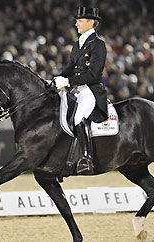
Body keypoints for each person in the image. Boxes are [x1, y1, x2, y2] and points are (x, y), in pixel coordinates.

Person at [53, 4, 107, 174]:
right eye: (76, 20)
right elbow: (70, 68)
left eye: (80, 20)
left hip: (90, 90)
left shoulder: (98, 45)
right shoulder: (77, 45)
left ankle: (86, 158)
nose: (76, 24)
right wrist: (56, 79)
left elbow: (92, 74)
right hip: (76, 88)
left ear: (91, 22)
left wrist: (67, 82)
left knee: (78, 118)